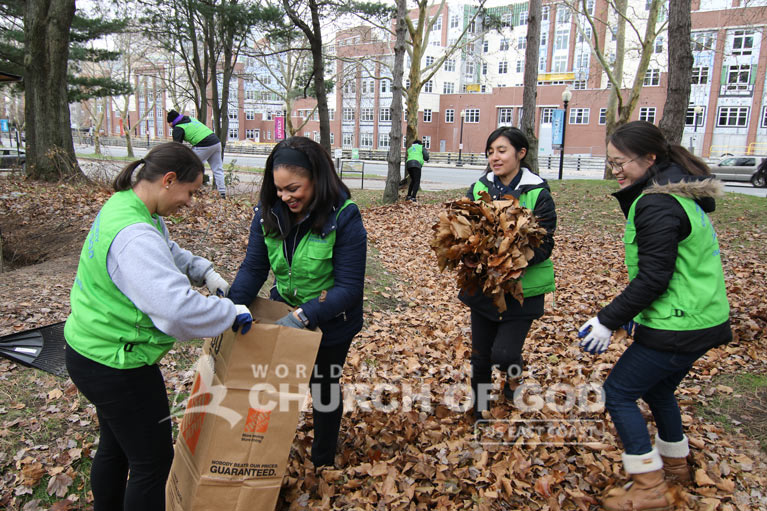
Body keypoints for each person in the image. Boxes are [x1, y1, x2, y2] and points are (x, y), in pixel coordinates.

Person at [64, 142, 253, 511]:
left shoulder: (130, 206)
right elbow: (176, 312)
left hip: (90, 349)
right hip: (116, 364)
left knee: (116, 446)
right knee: (152, 463)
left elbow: (165, 250)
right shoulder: (134, 234)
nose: (190, 201)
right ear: (169, 180)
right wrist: (229, 312)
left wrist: (205, 272)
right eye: (190, 191)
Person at [577, 121, 731, 511]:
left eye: (620, 162)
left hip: (678, 324)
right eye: (610, 163)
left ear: (650, 158)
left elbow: (654, 278)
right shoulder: (678, 196)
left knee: (618, 393)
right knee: (659, 389)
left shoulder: (657, 203)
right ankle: (676, 465)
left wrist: (607, 319)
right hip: (703, 319)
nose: (616, 170)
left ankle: (648, 487)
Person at [229, 136, 367, 468]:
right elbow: (254, 267)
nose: (285, 196)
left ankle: (323, 460)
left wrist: (303, 317)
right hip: (285, 310)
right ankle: (264, 458)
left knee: (323, 386)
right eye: (278, 189)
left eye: (293, 188)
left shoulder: (344, 217)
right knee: (277, 386)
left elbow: (349, 288)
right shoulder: (268, 213)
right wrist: (231, 307)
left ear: (316, 179)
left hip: (332, 322)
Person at [460, 126, 557, 420]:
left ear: (521, 153)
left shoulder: (538, 192)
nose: (494, 157)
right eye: (490, 152)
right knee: (480, 356)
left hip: (522, 289)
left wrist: (509, 259)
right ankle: (479, 411)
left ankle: (513, 375)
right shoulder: (479, 188)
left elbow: (546, 244)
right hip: (484, 287)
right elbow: (462, 228)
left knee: (502, 355)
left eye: (501, 150)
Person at [167, 109, 227, 198]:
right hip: (216, 142)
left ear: (171, 122)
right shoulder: (190, 119)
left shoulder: (178, 128)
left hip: (204, 144)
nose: (169, 126)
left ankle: (191, 191)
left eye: (169, 123)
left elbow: (177, 147)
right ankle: (222, 194)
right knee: (217, 169)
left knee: (191, 167)